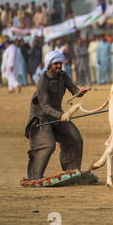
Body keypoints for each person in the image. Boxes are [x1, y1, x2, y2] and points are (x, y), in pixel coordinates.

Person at [24, 51, 89, 181]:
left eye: (60, 63)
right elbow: (45, 106)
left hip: (58, 116)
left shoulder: (64, 76)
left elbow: (74, 90)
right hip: (41, 118)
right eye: (56, 64)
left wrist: (80, 91)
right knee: (48, 145)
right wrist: (61, 115)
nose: (59, 66)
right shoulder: (43, 80)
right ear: (49, 65)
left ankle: (71, 171)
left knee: (75, 139)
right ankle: (34, 177)